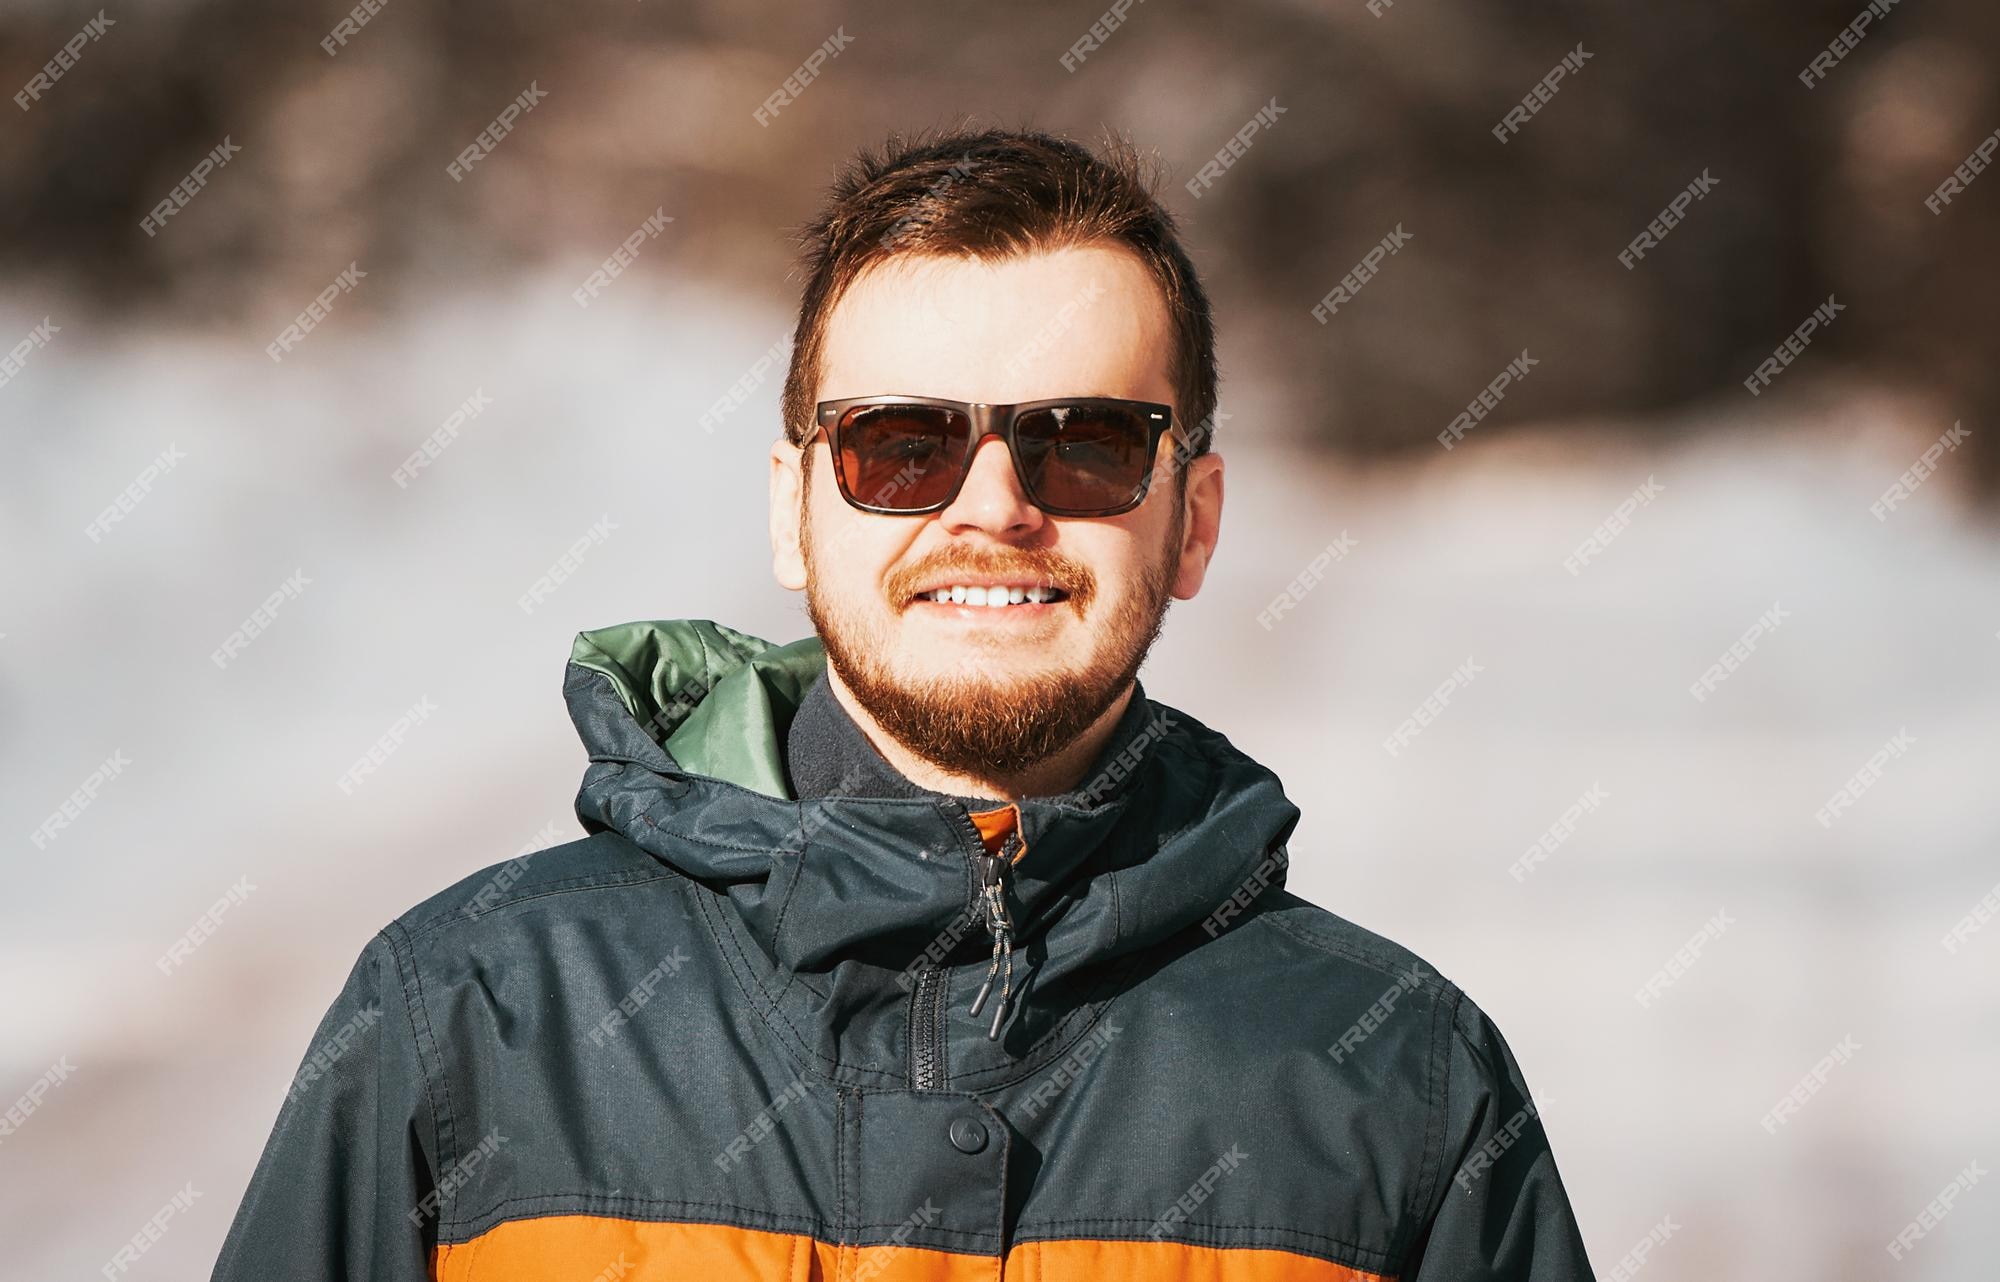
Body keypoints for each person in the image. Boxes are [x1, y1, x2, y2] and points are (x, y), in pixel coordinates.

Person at [212, 126, 1595, 1281]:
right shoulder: (470, 1015)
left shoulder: (1402, 1082)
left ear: (1194, 520)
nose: (995, 506)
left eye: (1089, 442)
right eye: (904, 445)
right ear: (792, 509)